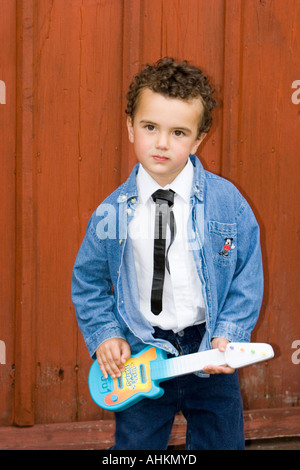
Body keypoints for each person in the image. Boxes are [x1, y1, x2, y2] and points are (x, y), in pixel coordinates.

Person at [71, 57, 263, 450]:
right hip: (143, 352)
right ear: (130, 127)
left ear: (199, 138)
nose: (162, 143)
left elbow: (247, 272)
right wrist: (105, 335)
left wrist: (230, 333)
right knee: (135, 446)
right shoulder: (111, 212)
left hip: (210, 352)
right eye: (150, 127)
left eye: (178, 132)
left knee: (221, 443)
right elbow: (88, 281)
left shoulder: (228, 203)